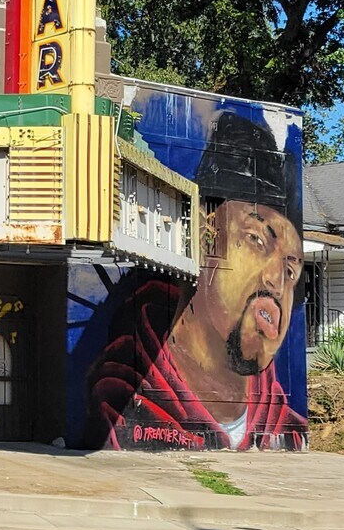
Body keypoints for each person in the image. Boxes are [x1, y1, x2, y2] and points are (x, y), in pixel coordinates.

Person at [87, 111, 307, 451]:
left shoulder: (289, 431)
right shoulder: (121, 402)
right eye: (258, 240)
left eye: (291, 270)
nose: (277, 280)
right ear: (206, 238)